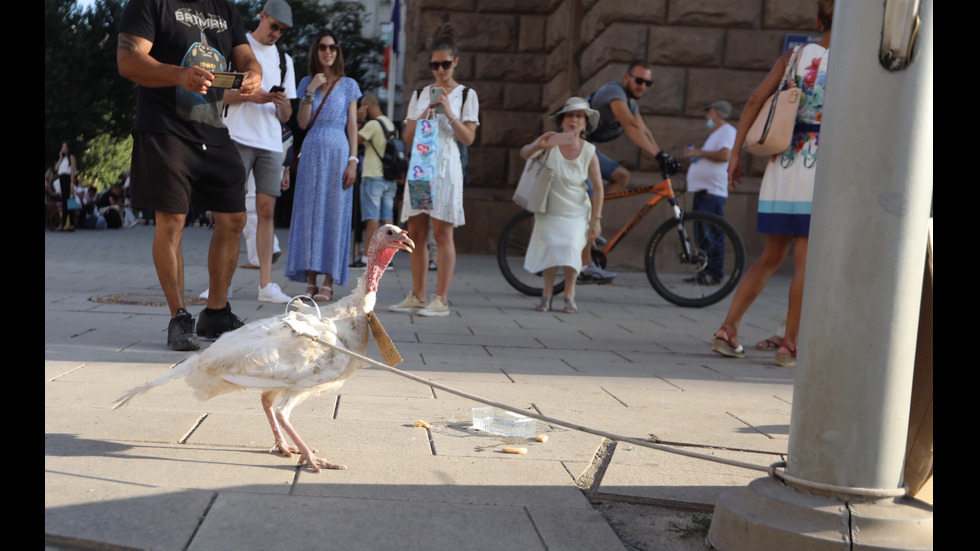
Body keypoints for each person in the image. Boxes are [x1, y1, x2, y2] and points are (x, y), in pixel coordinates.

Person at [117, 0, 263, 351]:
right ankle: (179, 316)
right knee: (172, 221)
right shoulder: (151, 4)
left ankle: (215, 312)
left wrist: (253, 73)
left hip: (212, 129)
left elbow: (245, 57)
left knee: (234, 218)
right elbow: (128, 60)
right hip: (164, 128)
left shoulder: (225, 9)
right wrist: (178, 75)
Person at [711, 0, 833, 368]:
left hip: (783, 165)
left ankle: (728, 330)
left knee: (770, 256)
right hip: (820, 165)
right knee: (805, 261)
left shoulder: (794, 56)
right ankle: (789, 345)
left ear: (817, 19)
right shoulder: (856, 62)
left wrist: (735, 153)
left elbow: (754, 100)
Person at [388, 23, 479, 317]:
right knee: (416, 229)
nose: (440, 70)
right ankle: (417, 294)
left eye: (445, 64)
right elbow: (407, 137)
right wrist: (425, 110)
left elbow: (469, 138)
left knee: (442, 232)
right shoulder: (420, 93)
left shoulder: (467, 95)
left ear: (456, 62)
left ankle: (441, 298)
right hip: (420, 166)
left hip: (447, 165)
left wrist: (449, 114)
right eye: (434, 65)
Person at [579, 60, 682, 284]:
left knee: (621, 177)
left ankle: (591, 221)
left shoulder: (632, 104)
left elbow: (644, 130)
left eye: (647, 82)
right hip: (574, 147)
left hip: (588, 149)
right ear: (627, 78)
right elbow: (630, 126)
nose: (642, 85)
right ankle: (585, 266)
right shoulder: (615, 93)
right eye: (639, 80)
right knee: (591, 200)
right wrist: (656, 155)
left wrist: (662, 155)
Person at [221, 0, 295, 304]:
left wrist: (280, 103)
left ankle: (266, 285)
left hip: (270, 142)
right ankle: (220, 285)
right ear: (262, 17)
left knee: (266, 212)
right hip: (237, 136)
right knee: (232, 213)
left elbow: (288, 114)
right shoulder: (238, 47)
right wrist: (252, 97)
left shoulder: (284, 60)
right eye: (274, 25)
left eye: (282, 30)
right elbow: (219, 93)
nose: (276, 33)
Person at [284, 29, 362, 302]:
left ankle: (328, 281)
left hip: (339, 151)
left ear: (337, 51)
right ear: (315, 51)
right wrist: (310, 90)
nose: (327, 51)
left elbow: (353, 125)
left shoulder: (349, 84)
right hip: (313, 149)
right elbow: (302, 123)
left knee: (334, 214)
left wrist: (353, 160)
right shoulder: (307, 81)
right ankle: (310, 280)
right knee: (309, 214)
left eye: (332, 47)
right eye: (322, 47)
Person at [520, 97, 604, 314]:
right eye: (570, 115)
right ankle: (546, 295)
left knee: (571, 248)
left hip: (576, 211)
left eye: (579, 117)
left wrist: (596, 220)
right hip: (549, 209)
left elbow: (598, 187)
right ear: (562, 120)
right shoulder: (551, 142)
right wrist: (538, 145)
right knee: (550, 249)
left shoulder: (589, 151)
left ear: (585, 123)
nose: (574, 120)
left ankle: (569, 294)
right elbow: (525, 154)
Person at [683, 99, 737, 285]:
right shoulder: (716, 133)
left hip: (713, 192)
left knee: (711, 233)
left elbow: (725, 155)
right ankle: (703, 272)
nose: (707, 117)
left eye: (710, 113)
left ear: (719, 114)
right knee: (702, 235)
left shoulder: (727, 131)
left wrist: (699, 153)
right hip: (703, 191)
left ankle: (714, 274)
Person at [356, 93, 398, 265]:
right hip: (388, 177)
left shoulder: (373, 124)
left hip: (373, 176)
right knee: (388, 218)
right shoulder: (389, 123)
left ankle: (368, 257)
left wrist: (359, 119)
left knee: (372, 218)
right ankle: (387, 259)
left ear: (366, 105)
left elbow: (355, 139)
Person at [53, 142, 78, 231]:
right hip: (62, 179)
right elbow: (56, 168)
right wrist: (60, 157)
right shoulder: (63, 159)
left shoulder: (71, 157)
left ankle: (65, 224)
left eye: (64, 147)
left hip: (68, 179)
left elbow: (72, 172)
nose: (62, 148)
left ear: (68, 148)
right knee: (66, 201)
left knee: (68, 201)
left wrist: (72, 184)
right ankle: (70, 224)